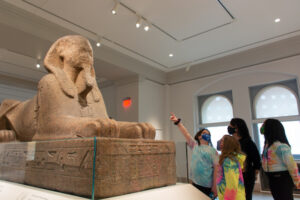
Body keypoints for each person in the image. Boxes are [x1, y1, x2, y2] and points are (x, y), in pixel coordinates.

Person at [170, 113, 218, 197]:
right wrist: (178, 123)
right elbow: (186, 133)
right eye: (204, 133)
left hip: (206, 185)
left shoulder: (213, 151)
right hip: (194, 182)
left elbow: (216, 169)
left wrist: (215, 186)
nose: (207, 134)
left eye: (208, 134)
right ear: (199, 136)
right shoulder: (195, 146)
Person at [261, 118, 300, 200]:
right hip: (272, 178)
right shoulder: (268, 145)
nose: (262, 127)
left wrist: (297, 181)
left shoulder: (281, 146)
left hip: (282, 178)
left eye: (264, 125)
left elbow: (291, 165)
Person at [228, 118, 261, 200]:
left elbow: (256, 161)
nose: (229, 127)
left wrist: (254, 175)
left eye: (231, 125)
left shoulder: (248, 142)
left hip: (245, 176)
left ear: (237, 128)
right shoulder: (231, 142)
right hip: (232, 175)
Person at [216, 135, 246, 200]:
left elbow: (232, 185)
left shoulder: (229, 161)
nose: (220, 143)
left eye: (222, 141)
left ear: (228, 144)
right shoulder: (227, 159)